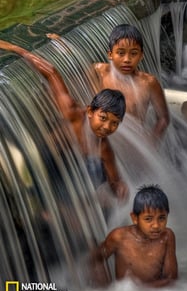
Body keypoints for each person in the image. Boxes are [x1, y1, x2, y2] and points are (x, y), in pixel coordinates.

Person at [0, 39, 129, 202]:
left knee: (96, 173)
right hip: (46, 156)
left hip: (71, 166)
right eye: (103, 118)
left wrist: (119, 188)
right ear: (90, 111)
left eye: (114, 123)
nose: (106, 127)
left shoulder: (104, 148)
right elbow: (51, 72)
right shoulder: (72, 112)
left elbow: (114, 179)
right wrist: (16, 48)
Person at [93, 24, 170, 145]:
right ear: (110, 55)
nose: (127, 59)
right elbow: (75, 66)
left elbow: (163, 118)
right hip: (104, 140)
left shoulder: (149, 83)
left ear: (141, 55)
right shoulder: (100, 72)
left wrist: (151, 144)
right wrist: (63, 46)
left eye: (133, 53)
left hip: (134, 143)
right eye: (121, 53)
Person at [90, 184, 178, 287]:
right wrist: (107, 288)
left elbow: (171, 278)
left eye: (162, 218)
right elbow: (96, 259)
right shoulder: (119, 237)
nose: (156, 225)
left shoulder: (167, 236)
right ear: (134, 218)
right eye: (148, 219)